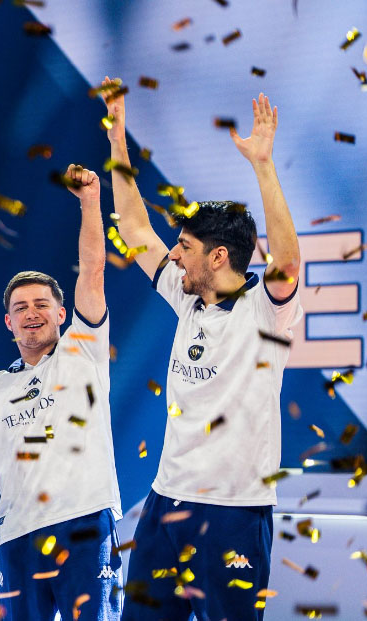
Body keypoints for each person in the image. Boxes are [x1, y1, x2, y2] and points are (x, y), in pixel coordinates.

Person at [104, 85, 302, 621]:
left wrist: (262, 165)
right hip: (165, 502)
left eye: (185, 247)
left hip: (234, 513)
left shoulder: (266, 310)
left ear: (218, 257)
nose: (172, 255)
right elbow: (133, 228)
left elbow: (287, 261)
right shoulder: (185, 295)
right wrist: (118, 141)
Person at [0, 166, 122, 620]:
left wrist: (89, 201)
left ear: (62, 314)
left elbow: (93, 271)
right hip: (17, 535)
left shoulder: (83, 351)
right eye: (20, 308)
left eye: (42, 304)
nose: (31, 313)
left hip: (85, 523)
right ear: (9, 323)